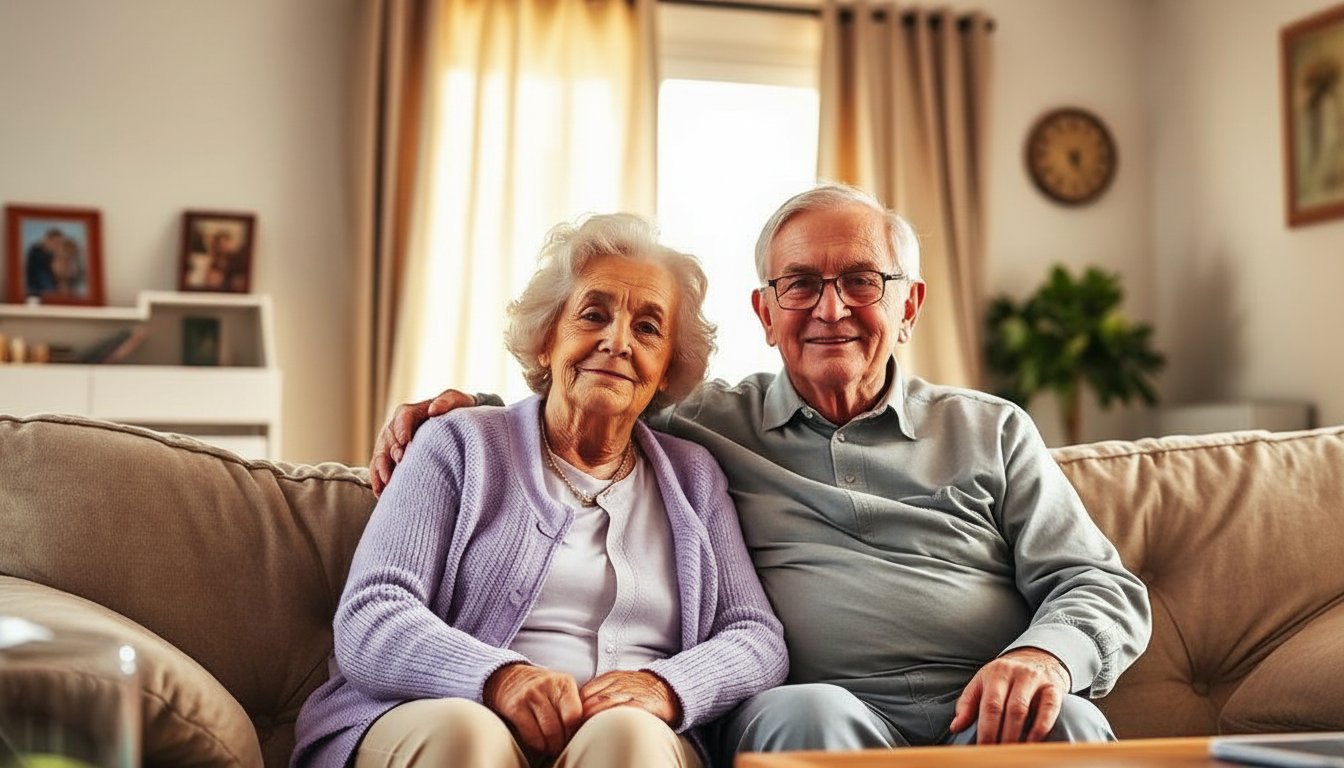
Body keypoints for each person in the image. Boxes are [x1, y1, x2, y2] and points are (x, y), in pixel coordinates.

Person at [373, 184, 1151, 762]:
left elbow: (1099, 585)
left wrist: (1044, 655)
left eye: (861, 281)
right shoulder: (706, 430)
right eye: (801, 284)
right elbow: (597, 391)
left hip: (989, 705)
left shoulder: (993, 429)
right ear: (766, 311)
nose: (831, 308)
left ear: (908, 306)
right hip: (827, 710)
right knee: (804, 718)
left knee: (1071, 725)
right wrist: (466, 410)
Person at [292, 213, 786, 768]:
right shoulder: (458, 443)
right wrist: (496, 677)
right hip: (445, 711)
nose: (617, 341)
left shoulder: (694, 476)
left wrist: (665, 687)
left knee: (630, 738)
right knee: (466, 734)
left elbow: (755, 635)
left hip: (628, 736)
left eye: (648, 328)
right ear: (547, 339)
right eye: (592, 315)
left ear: (667, 367)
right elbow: (372, 612)